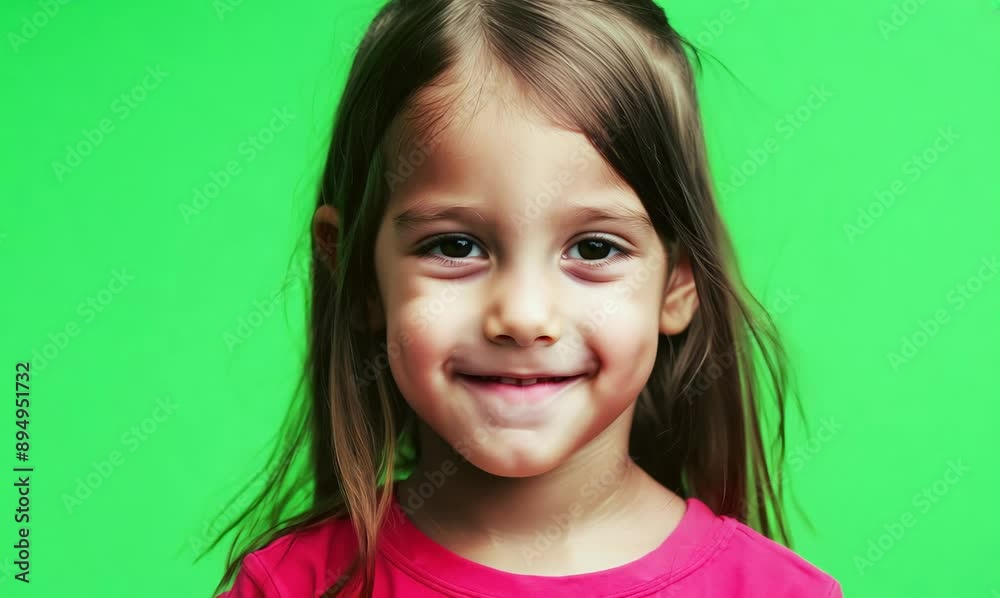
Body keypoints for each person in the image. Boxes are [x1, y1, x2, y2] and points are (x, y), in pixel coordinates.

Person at [211, 0, 842, 595]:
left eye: (594, 249)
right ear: (357, 273)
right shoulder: (293, 586)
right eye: (455, 247)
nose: (523, 316)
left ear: (678, 282)